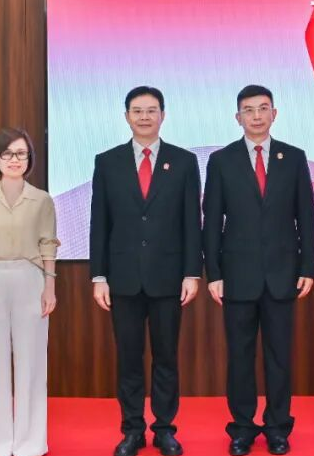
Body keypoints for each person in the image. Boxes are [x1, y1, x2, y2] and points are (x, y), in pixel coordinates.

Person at [202, 84, 314, 456]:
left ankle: (278, 428)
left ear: (274, 114)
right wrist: (214, 273)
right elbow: (211, 222)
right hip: (237, 277)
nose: (256, 116)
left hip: (283, 275)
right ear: (238, 117)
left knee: (279, 357)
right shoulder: (222, 161)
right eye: (248, 110)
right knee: (240, 357)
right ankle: (242, 429)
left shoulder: (293, 158)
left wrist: (307, 267)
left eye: (263, 108)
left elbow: (306, 217)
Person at [89, 86, 202, 456]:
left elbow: (192, 222)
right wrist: (99, 276)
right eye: (137, 111)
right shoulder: (107, 162)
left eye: (151, 110)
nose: (144, 117)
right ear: (126, 117)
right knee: (129, 359)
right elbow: (99, 223)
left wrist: (192, 272)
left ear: (163, 115)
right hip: (122, 279)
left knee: (166, 358)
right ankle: (132, 430)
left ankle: (165, 429)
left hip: (168, 278)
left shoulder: (183, 162)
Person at [0, 127, 59, 456]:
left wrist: (50, 288)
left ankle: (30, 443)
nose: (14, 159)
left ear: (30, 158)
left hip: (30, 279)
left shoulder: (42, 200)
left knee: (31, 362)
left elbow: (48, 245)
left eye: (21, 153)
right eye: (7, 153)